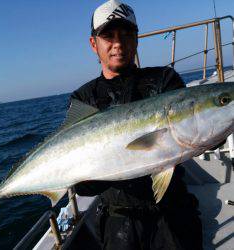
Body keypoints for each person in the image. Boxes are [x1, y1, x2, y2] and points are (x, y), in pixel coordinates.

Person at [70, 0, 203, 249]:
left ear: (137, 39)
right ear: (93, 44)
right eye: (108, 35)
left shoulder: (165, 80)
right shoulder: (84, 98)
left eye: (127, 34)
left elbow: (191, 135)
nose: (118, 43)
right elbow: (83, 189)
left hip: (173, 213)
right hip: (118, 221)